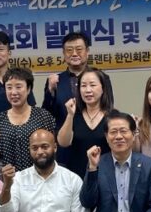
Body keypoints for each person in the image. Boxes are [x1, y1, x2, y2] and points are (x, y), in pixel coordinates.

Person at [43, 32, 115, 175]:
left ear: (87, 52)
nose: (74, 54)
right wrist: (50, 91)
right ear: (64, 54)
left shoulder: (102, 78)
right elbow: (47, 114)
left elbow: (108, 107)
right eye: (69, 50)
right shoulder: (55, 81)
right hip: (65, 149)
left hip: (97, 145)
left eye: (79, 49)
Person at [0, 67, 55, 172]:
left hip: (39, 176)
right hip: (11, 178)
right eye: (9, 87)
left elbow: (53, 149)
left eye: (18, 87)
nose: (13, 92)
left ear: (28, 89)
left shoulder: (43, 116)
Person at [57, 68, 112, 178]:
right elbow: (63, 142)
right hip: (77, 177)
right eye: (83, 86)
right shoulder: (74, 115)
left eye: (92, 85)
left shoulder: (112, 117)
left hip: (106, 177)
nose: (88, 90)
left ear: (103, 88)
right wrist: (70, 115)